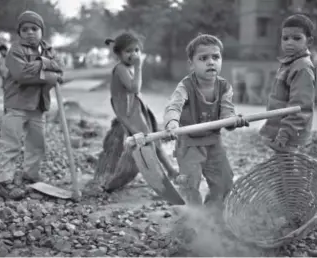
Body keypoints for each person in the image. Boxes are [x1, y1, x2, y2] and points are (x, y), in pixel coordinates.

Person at [163, 34, 248, 209]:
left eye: (215, 57)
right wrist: (172, 122)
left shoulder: (224, 87)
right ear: (191, 64)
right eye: (203, 58)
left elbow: (227, 113)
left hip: (213, 144)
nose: (211, 62)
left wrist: (233, 121)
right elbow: (174, 106)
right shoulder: (185, 86)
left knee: (224, 181)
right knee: (189, 183)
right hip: (189, 145)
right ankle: (194, 219)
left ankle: (212, 215)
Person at [0, 10, 63, 199]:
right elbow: (23, 75)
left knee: (37, 143)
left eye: (34, 28)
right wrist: (51, 75)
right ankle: (4, 180)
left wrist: (43, 62)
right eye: (25, 30)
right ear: (19, 33)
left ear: (42, 31)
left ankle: (30, 175)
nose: (30, 33)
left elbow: (61, 66)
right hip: (17, 104)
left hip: (38, 106)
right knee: (11, 143)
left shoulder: (48, 50)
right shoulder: (16, 50)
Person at [105, 32, 179, 180]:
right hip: (128, 113)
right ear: (119, 54)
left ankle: (170, 169)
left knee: (153, 139)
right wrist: (139, 67)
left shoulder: (128, 67)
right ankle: (158, 174)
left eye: (136, 50)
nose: (133, 54)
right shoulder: (120, 69)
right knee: (145, 141)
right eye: (128, 51)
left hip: (135, 109)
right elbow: (134, 88)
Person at [259, 14, 316, 153]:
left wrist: (286, 132)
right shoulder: (289, 63)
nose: (289, 42)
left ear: (309, 42)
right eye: (285, 38)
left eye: (297, 38)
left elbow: (301, 106)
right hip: (279, 127)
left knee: (288, 168)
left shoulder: (302, 67)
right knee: (282, 167)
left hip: (289, 132)